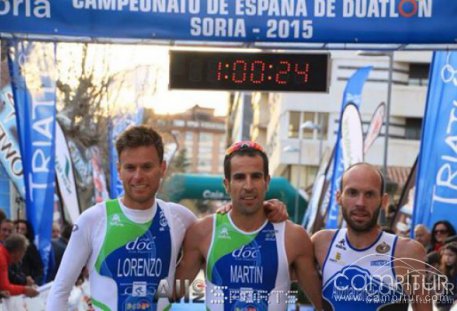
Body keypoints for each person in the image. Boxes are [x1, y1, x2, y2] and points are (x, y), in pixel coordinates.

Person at [47, 126, 286, 311]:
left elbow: (225, 228)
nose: (138, 176)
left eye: (147, 167)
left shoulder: (180, 218)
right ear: (119, 170)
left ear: (162, 168)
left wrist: (264, 207)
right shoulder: (93, 219)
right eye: (130, 168)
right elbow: (60, 290)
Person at [175, 141, 323, 310]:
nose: (248, 186)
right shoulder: (203, 232)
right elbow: (171, 292)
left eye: (256, 176)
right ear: (227, 185)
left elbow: (322, 304)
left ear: (266, 182)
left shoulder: (294, 237)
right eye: (239, 177)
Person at [312, 162, 431, 311]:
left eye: (369, 194)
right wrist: (275, 212)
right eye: (352, 193)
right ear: (338, 197)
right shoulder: (321, 243)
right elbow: (282, 273)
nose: (360, 203)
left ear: (384, 201)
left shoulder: (407, 252)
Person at [14, 219, 44, 285]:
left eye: (22, 229)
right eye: (17, 228)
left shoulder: (30, 246)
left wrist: (34, 282)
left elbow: (39, 268)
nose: (19, 231)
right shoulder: (8, 245)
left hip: (28, 283)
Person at [436, 242, 457, 311]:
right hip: (441, 305)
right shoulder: (440, 272)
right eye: (445, 255)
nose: (447, 258)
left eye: (451, 255)